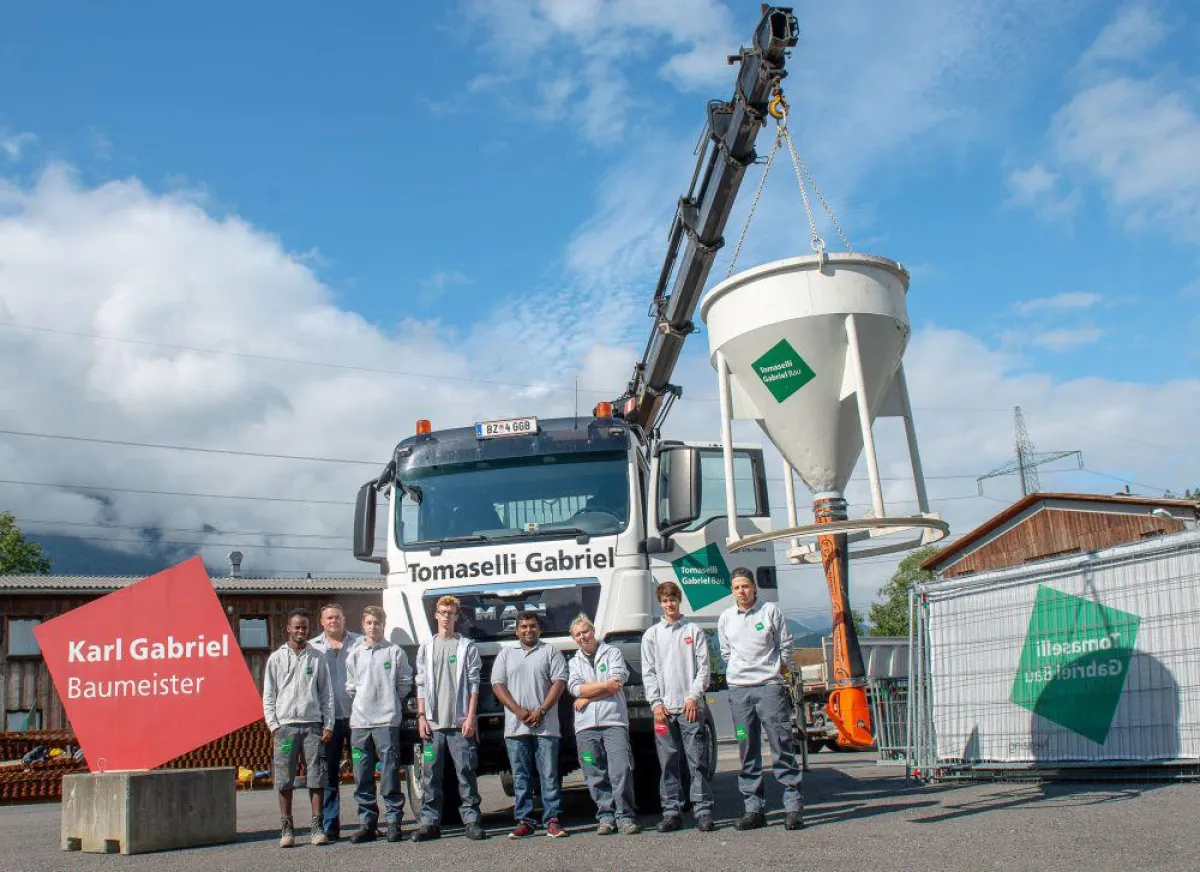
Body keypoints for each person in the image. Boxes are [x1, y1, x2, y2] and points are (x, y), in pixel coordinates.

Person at [717, 567, 803, 831]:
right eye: (736, 588)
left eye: (745, 586)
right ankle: (753, 809)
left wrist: (776, 671)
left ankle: (793, 807)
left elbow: (785, 647)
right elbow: (726, 653)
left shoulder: (771, 612)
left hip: (769, 688)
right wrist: (740, 673)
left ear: (754, 587)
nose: (741, 591)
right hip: (740, 690)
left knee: (781, 744)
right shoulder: (726, 618)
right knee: (747, 749)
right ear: (732, 591)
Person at [413, 595, 487, 842]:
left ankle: (472, 820)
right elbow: (421, 683)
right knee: (430, 774)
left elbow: (475, 684)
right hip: (433, 725)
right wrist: (422, 716)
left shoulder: (467, 647)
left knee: (465, 771)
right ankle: (429, 823)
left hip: (459, 723)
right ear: (436, 615)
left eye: (451, 612)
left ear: (457, 616)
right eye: (442, 612)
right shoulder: (426, 647)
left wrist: (470, 717)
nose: (446, 616)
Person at [641, 580, 714, 832]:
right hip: (664, 711)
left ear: (679, 601)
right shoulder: (652, 635)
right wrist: (655, 703)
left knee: (697, 762)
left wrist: (693, 697)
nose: (669, 604)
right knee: (668, 763)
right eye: (664, 600)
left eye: (672, 599)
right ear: (660, 603)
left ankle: (702, 811)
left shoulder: (693, 631)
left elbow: (704, 668)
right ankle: (671, 811)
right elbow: (648, 672)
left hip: (690, 708)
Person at [490, 611, 569, 839]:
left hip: (546, 725)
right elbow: (498, 686)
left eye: (532, 626)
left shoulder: (550, 651)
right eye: (523, 626)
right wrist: (518, 711)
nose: (528, 630)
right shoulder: (506, 654)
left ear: (539, 629)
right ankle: (525, 821)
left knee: (549, 774)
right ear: (516, 630)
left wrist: (541, 710)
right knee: (521, 776)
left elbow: (559, 683)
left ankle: (552, 820)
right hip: (516, 728)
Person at [262, 608, 335, 848]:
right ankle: (287, 828)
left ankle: (317, 826)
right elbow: (269, 695)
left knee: (316, 777)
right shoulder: (276, 658)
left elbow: (327, 694)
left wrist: (328, 723)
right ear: (288, 629)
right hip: (285, 727)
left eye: (304, 627)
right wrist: (273, 725)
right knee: (284, 779)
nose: (301, 631)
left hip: (313, 726)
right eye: (297, 627)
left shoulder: (317, 657)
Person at [344, 606, 413, 843]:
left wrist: (391, 702)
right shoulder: (354, 653)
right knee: (362, 774)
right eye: (369, 623)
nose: (373, 627)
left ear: (384, 624)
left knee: (390, 773)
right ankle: (367, 824)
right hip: (360, 723)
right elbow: (351, 686)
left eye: (377, 623)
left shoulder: (394, 652)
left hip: (386, 721)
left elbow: (404, 683)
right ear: (363, 625)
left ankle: (394, 822)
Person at [567, 614, 639, 836]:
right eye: (577, 634)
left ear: (593, 631)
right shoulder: (573, 661)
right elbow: (575, 690)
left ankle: (625, 816)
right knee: (593, 772)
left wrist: (588, 697)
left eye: (585, 632)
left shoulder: (613, 653)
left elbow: (617, 683)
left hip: (613, 721)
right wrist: (602, 686)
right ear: (574, 638)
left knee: (620, 770)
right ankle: (605, 816)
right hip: (585, 727)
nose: (582, 637)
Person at [309, 603, 362, 841]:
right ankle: (330, 825)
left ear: (344, 619)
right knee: (328, 774)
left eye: (337, 617)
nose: (333, 621)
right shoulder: (313, 648)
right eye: (329, 618)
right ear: (322, 622)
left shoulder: (359, 643)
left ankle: (367, 822)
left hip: (357, 718)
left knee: (363, 770)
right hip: (327, 720)